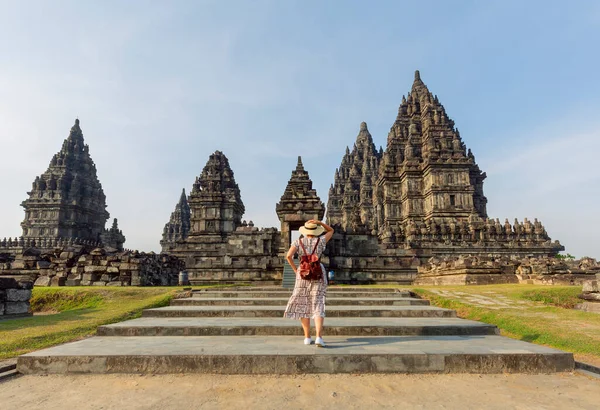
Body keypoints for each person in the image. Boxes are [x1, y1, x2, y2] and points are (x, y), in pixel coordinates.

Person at [283, 219, 334, 347]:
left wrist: (296, 270)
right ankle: (319, 337)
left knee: (302, 304)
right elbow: (331, 230)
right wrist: (320, 223)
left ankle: (307, 337)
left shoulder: (298, 242)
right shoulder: (320, 241)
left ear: (305, 231)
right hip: (318, 273)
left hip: (302, 273)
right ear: (316, 231)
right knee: (318, 303)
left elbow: (288, 256)